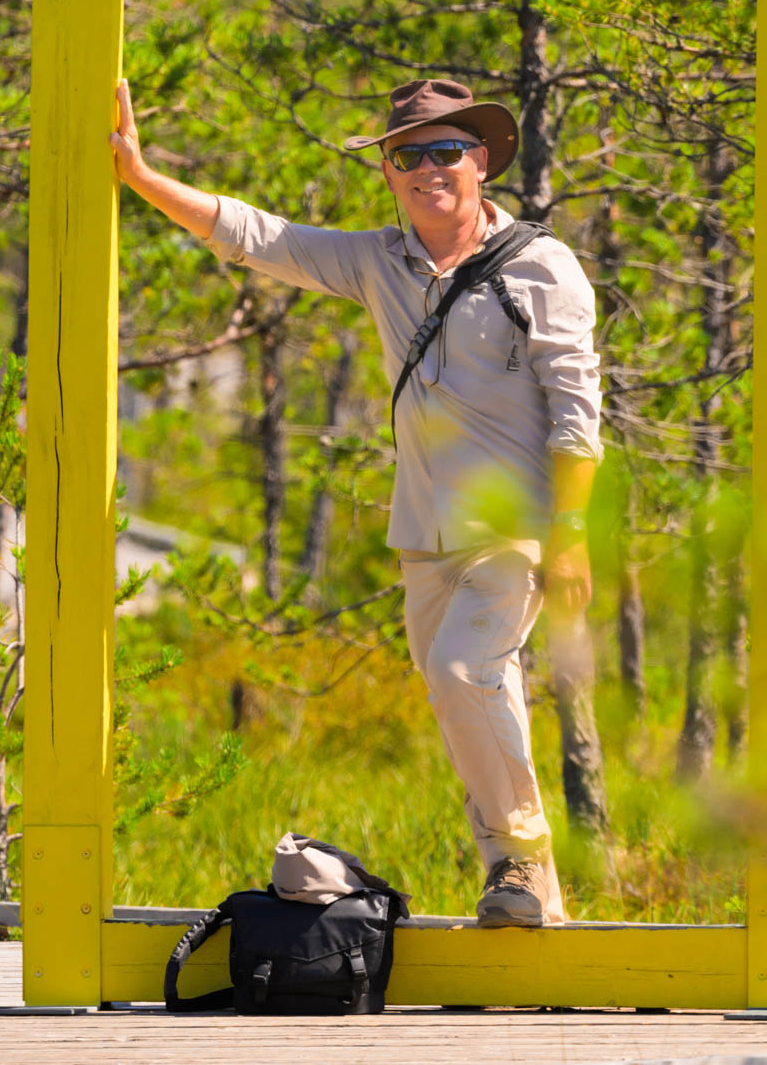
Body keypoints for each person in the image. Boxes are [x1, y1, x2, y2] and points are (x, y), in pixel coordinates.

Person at [110, 75, 602, 927]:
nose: (428, 168)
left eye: (446, 151)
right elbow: (258, 235)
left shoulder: (540, 266)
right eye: (408, 156)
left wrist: (571, 533)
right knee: (471, 697)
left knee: (463, 673)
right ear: (388, 173)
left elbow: (577, 409)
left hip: (517, 527)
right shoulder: (377, 262)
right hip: (425, 533)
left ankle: (517, 861)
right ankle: (531, 896)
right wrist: (142, 178)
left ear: (481, 161)